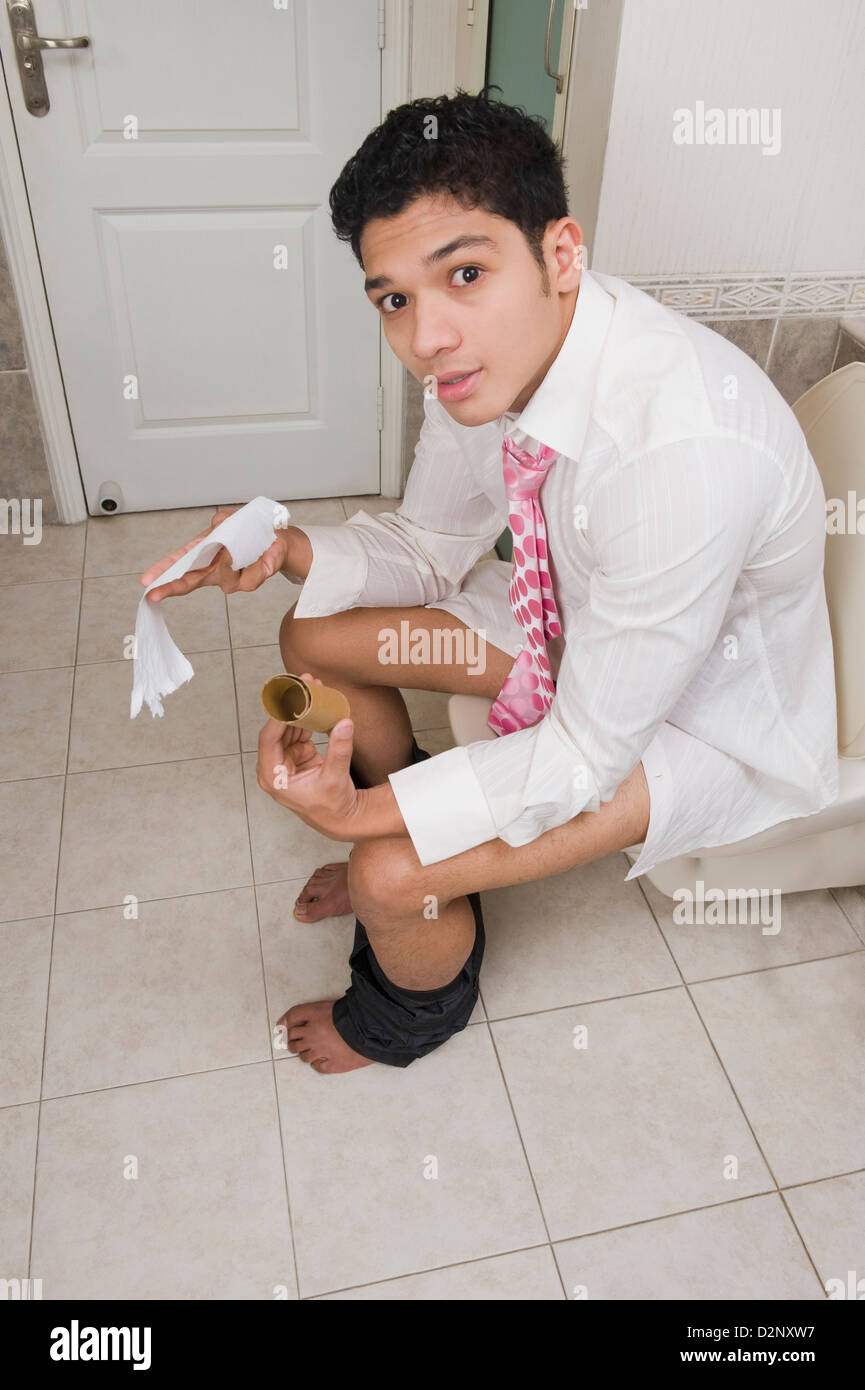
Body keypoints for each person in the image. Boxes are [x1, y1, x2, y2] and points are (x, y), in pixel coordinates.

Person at [140, 91, 839, 1076]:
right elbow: (432, 543)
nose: (426, 336)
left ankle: (409, 1007)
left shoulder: (676, 451)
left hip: (691, 718)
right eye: (394, 298)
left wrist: (367, 825)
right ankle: (418, 841)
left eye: (464, 272)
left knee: (387, 869)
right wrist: (288, 547)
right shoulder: (487, 364)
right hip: (580, 626)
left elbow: (588, 751)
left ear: (559, 254)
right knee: (315, 636)